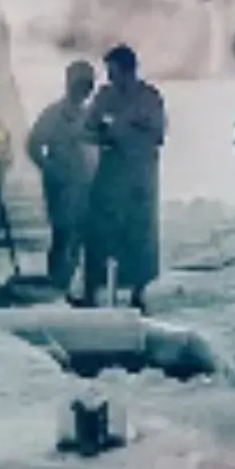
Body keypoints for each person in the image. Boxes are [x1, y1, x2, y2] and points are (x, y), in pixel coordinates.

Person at [83, 43, 166, 310]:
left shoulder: (149, 98)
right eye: (108, 72)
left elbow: (158, 134)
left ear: (129, 71)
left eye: (114, 71)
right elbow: (88, 128)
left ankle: (139, 292)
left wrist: (126, 131)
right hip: (110, 173)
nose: (110, 77)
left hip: (140, 175)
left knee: (139, 234)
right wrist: (103, 133)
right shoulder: (104, 97)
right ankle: (91, 290)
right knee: (99, 232)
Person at [25, 59, 97, 294]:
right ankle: (56, 283)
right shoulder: (54, 114)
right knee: (62, 234)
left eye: (87, 86)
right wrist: (48, 169)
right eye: (79, 84)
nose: (83, 90)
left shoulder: (90, 115)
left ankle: (79, 285)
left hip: (85, 184)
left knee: (83, 236)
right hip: (61, 184)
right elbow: (34, 144)